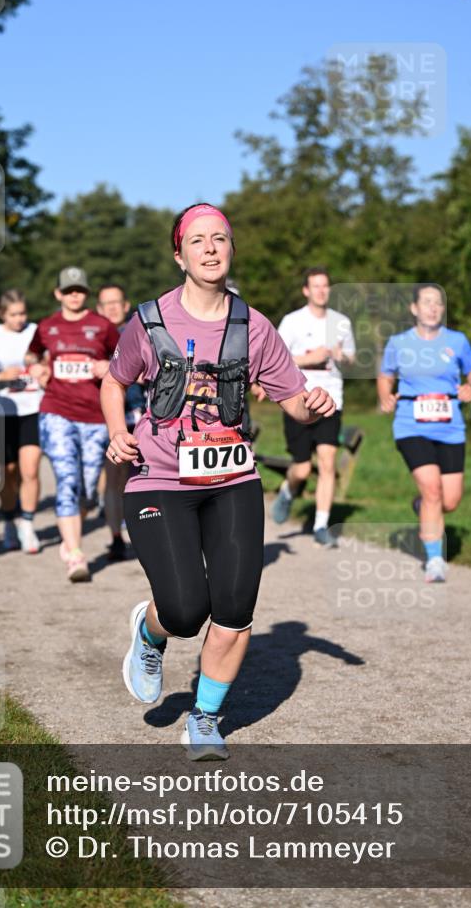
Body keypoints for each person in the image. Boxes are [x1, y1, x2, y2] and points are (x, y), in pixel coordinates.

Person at [102, 203, 335, 760]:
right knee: (184, 611)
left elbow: (293, 399)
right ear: (179, 255)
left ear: (231, 249)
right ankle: (151, 632)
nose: (210, 248)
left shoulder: (253, 327)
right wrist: (117, 431)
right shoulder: (149, 321)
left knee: (234, 608)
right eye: (198, 240)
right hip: (160, 478)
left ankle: (204, 719)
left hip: (233, 478)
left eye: (220, 238)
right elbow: (114, 382)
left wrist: (314, 405)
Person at [377, 283, 471, 583]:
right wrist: (385, 396)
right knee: (432, 489)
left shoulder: (457, 341)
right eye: (426, 302)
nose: (433, 308)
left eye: (438, 302)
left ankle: (422, 505)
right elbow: (385, 375)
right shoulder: (399, 343)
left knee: (450, 501)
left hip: (450, 428)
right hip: (411, 425)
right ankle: (435, 560)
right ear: (414, 308)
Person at [27, 267, 119, 581]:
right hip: (56, 411)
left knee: (88, 490)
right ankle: (76, 555)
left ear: (86, 293)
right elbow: (32, 355)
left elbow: (127, 359)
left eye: (79, 290)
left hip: (94, 417)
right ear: (58, 294)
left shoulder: (103, 326)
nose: (74, 295)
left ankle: (69, 537)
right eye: (68, 291)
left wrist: (109, 366)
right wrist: (36, 368)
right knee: (67, 480)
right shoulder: (46, 326)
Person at [271, 267, 356, 547]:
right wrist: (311, 358)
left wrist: (341, 356)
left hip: (331, 401)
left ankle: (321, 524)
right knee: (303, 469)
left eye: (325, 286)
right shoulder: (292, 321)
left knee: (328, 462)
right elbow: (276, 360)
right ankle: (288, 490)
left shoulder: (341, 322)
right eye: (315, 286)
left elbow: (352, 359)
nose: (321, 291)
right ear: (306, 290)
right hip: (299, 400)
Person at [0, 289, 43, 553]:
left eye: (23, 313)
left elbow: (47, 362)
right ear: (2, 314)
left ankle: (27, 526)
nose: (20, 319)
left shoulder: (36, 331)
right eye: (14, 315)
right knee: (8, 473)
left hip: (33, 407)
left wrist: (42, 370)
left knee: (30, 470)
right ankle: (9, 522)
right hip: (4, 411)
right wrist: (0, 377)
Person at [96, 284, 145, 562]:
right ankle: (116, 538)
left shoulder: (141, 330)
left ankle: (146, 534)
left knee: (141, 478)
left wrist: (118, 370)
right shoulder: (93, 335)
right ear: (99, 309)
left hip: (140, 413)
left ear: (126, 305)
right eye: (107, 303)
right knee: (113, 479)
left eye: (117, 302)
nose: (113, 308)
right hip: (105, 416)